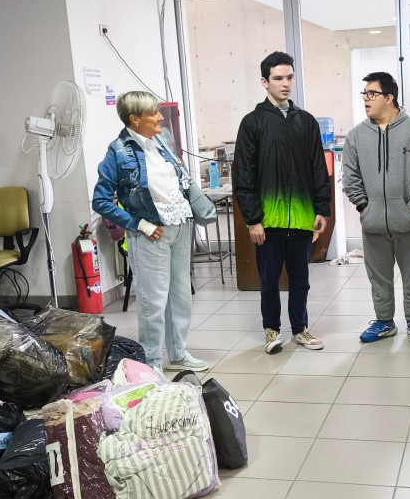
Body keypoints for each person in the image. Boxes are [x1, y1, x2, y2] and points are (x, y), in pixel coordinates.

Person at [92, 90, 209, 376]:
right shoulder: (117, 152)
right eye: (153, 113)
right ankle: (152, 362)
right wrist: (140, 225)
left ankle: (178, 353)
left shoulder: (162, 142)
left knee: (180, 295)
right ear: (134, 119)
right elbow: (101, 200)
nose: (160, 117)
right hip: (150, 233)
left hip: (181, 226)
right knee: (153, 301)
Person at [233, 51, 330, 354]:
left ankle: (299, 329)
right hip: (268, 222)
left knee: (301, 280)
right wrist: (253, 219)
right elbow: (243, 175)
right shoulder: (253, 123)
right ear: (265, 82)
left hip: (301, 218)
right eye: (278, 78)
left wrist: (322, 209)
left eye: (289, 77)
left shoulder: (307, 122)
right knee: (269, 281)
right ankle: (272, 331)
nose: (285, 83)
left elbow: (318, 169)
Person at [343, 72, 410, 344]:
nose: (365, 99)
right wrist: (363, 207)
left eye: (371, 93)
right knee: (379, 278)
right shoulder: (357, 135)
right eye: (364, 94)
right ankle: (384, 322)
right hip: (373, 224)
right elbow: (350, 175)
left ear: (389, 97)